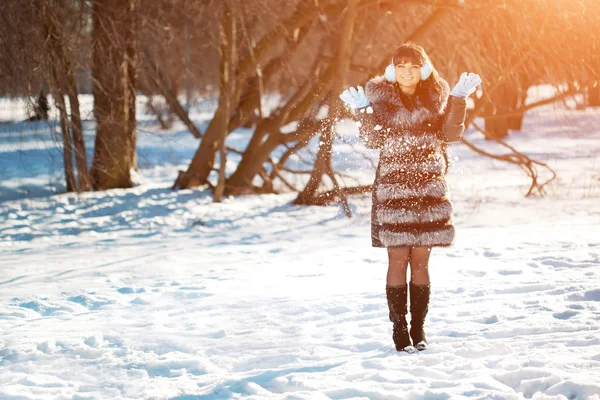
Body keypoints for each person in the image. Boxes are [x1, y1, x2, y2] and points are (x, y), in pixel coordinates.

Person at [340, 42, 481, 353]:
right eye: (401, 66)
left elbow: (451, 134)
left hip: (428, 191)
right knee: (397, 258)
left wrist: (458, 99)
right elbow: (372, 139)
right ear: (393, 70)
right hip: (394, 191)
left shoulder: (435, 100)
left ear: (423, 69)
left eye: (413, 66)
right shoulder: (381, 102)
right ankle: (399, 327)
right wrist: (363, 110)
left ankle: (419, 327)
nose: (407, 72)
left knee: (421, 260)